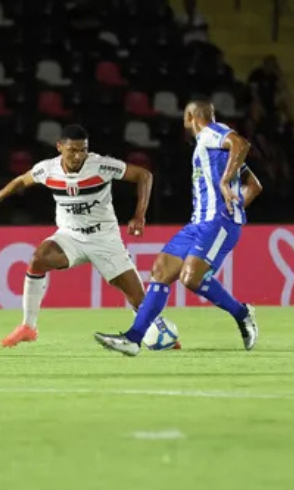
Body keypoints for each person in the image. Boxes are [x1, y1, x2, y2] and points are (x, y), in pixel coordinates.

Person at [94, 101, 262, 357]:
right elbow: (255, 185)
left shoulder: (210, 134)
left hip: (217, 223)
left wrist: (227, 187)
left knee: (191, 278)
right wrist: (236, 200)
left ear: (190, 117)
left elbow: (242, 144)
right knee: (161, 271)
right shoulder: (217, 153)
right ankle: (133, 338)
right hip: (198, 223)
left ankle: (242, 313)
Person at [0, 124, 170, 348]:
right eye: (73, 150)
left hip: (104, 239)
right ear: (60, 147)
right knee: (39, 259)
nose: (79, 155)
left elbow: (144, 175)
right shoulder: (48, 169)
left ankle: (164, 333)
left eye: (83, 150)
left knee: (140, 301)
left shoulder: (101, 165)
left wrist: (139, 215)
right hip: (70, 236)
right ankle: (28, 327)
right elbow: (22, 179)